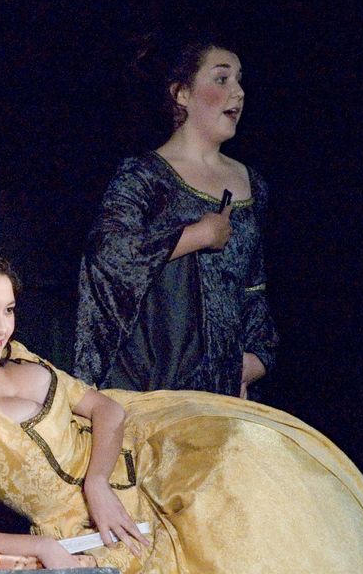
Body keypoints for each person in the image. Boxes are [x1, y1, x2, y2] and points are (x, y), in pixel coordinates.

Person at [0, 238, 363, 573]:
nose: (2, 327)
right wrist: (45, 546)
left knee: (252, 450)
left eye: (9, 310)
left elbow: (105, 408)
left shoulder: (17, 356)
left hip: (144, 453)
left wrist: (97, 479)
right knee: (239, 520)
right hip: (101, 525)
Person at [75, 33, 277, 400]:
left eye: (239, 80)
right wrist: (200, 235)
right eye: (222, 78)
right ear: (182, 94)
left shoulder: (254, 184)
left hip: (228, 390)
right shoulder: (145, 176)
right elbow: (108, 255)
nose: (238, 92)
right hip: (162, 385)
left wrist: (255, 360)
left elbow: (254, 287)